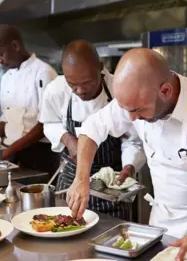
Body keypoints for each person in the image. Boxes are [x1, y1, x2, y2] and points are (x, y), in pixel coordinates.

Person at [68, 48, 187, 260]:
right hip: (158, 230)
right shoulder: (135, 99)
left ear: (165, 91)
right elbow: (93, 128)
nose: (132, 118)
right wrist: (81, 179)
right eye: (126, 110)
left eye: (138, 110)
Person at [39, 40, 146, 220]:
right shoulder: (56, 90)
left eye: (87, 83)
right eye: (72, 84)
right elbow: (48, 123)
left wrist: (130, 165)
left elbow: (132, 139)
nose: (80, 90)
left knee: (112, 235)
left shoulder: (118, 89)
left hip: (111, 185)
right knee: (67, 229)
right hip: (71, 180)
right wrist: (67, 139)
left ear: (100, 68)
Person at [0, 24, 60, 175]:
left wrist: (9, 151)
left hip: (39, 154)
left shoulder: (44, 72)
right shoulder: (6, 77)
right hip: (11, 151)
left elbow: (45, 125)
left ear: (15, 45)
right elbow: (6, 117)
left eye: (0, 54)